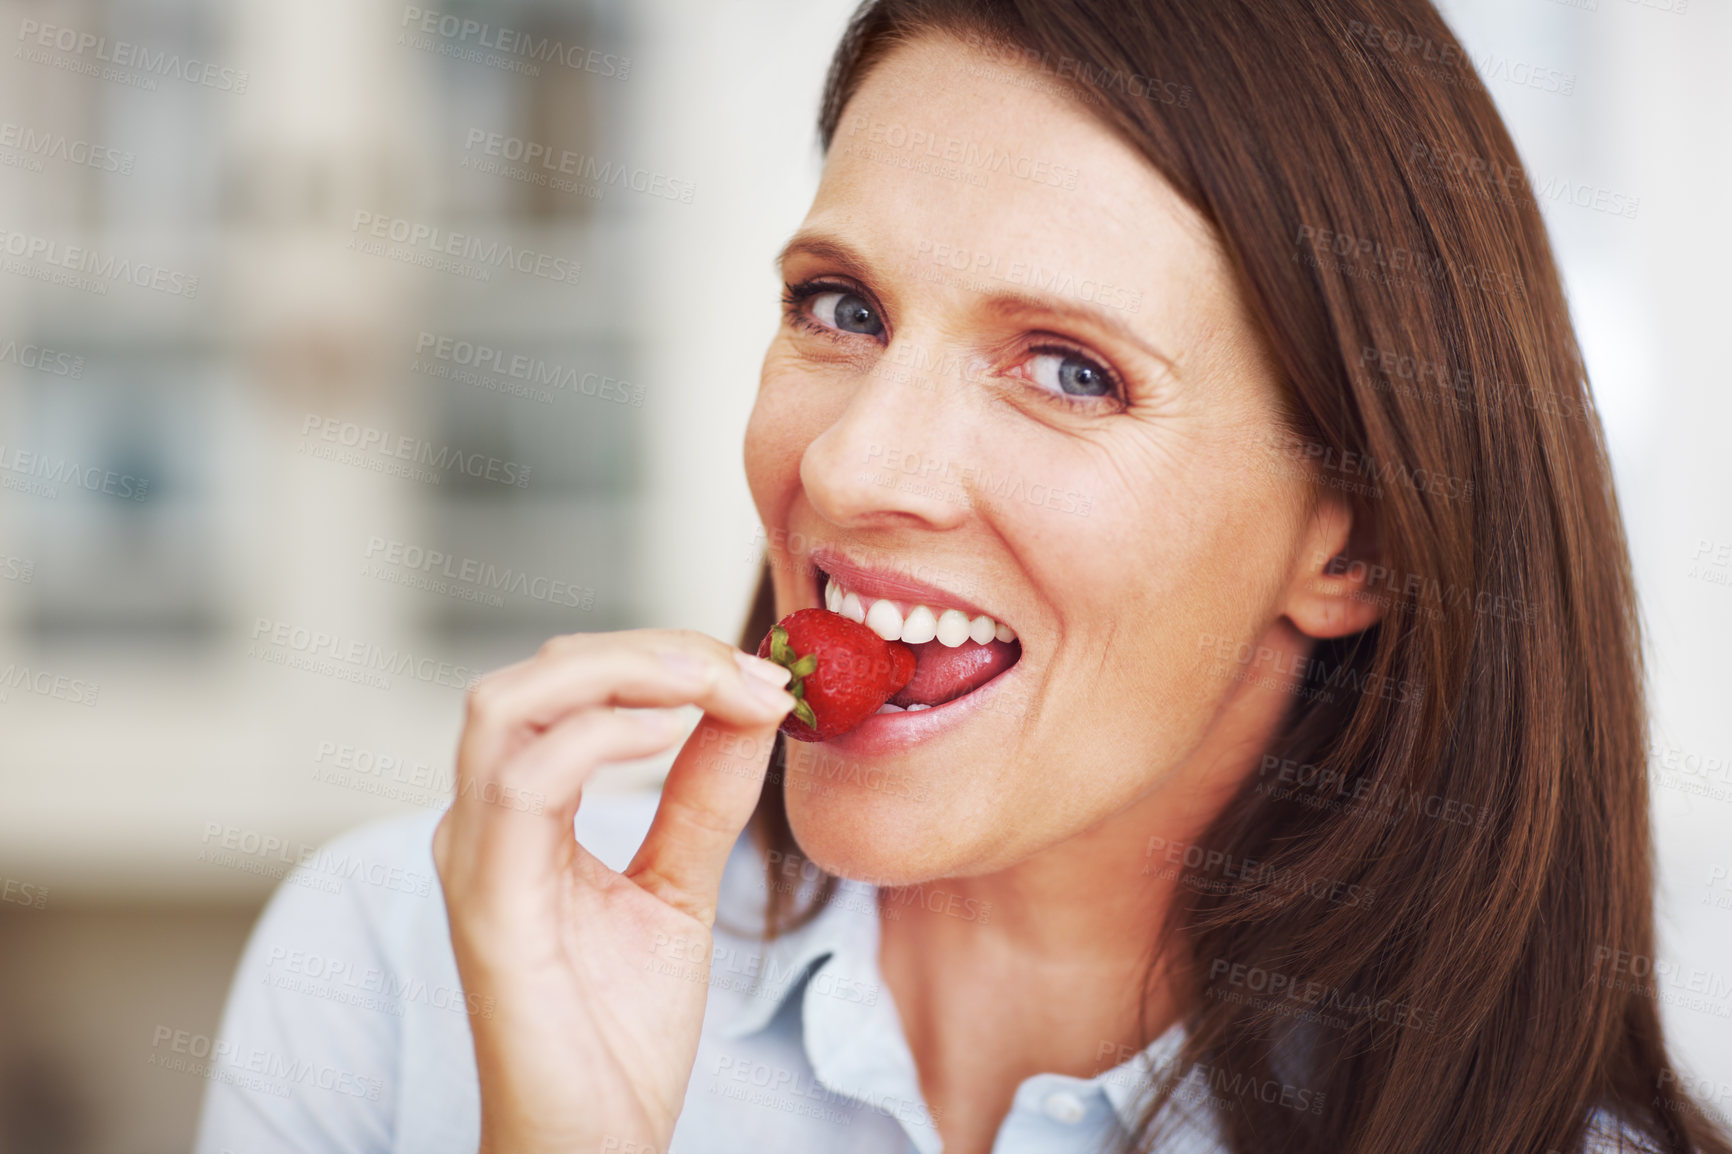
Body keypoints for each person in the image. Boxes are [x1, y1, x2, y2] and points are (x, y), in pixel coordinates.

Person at [197, 1, 1732, 1152]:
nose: (853, 468)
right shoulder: (404, 960)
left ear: (1358, 540)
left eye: (1068, 368)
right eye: (841, 306)